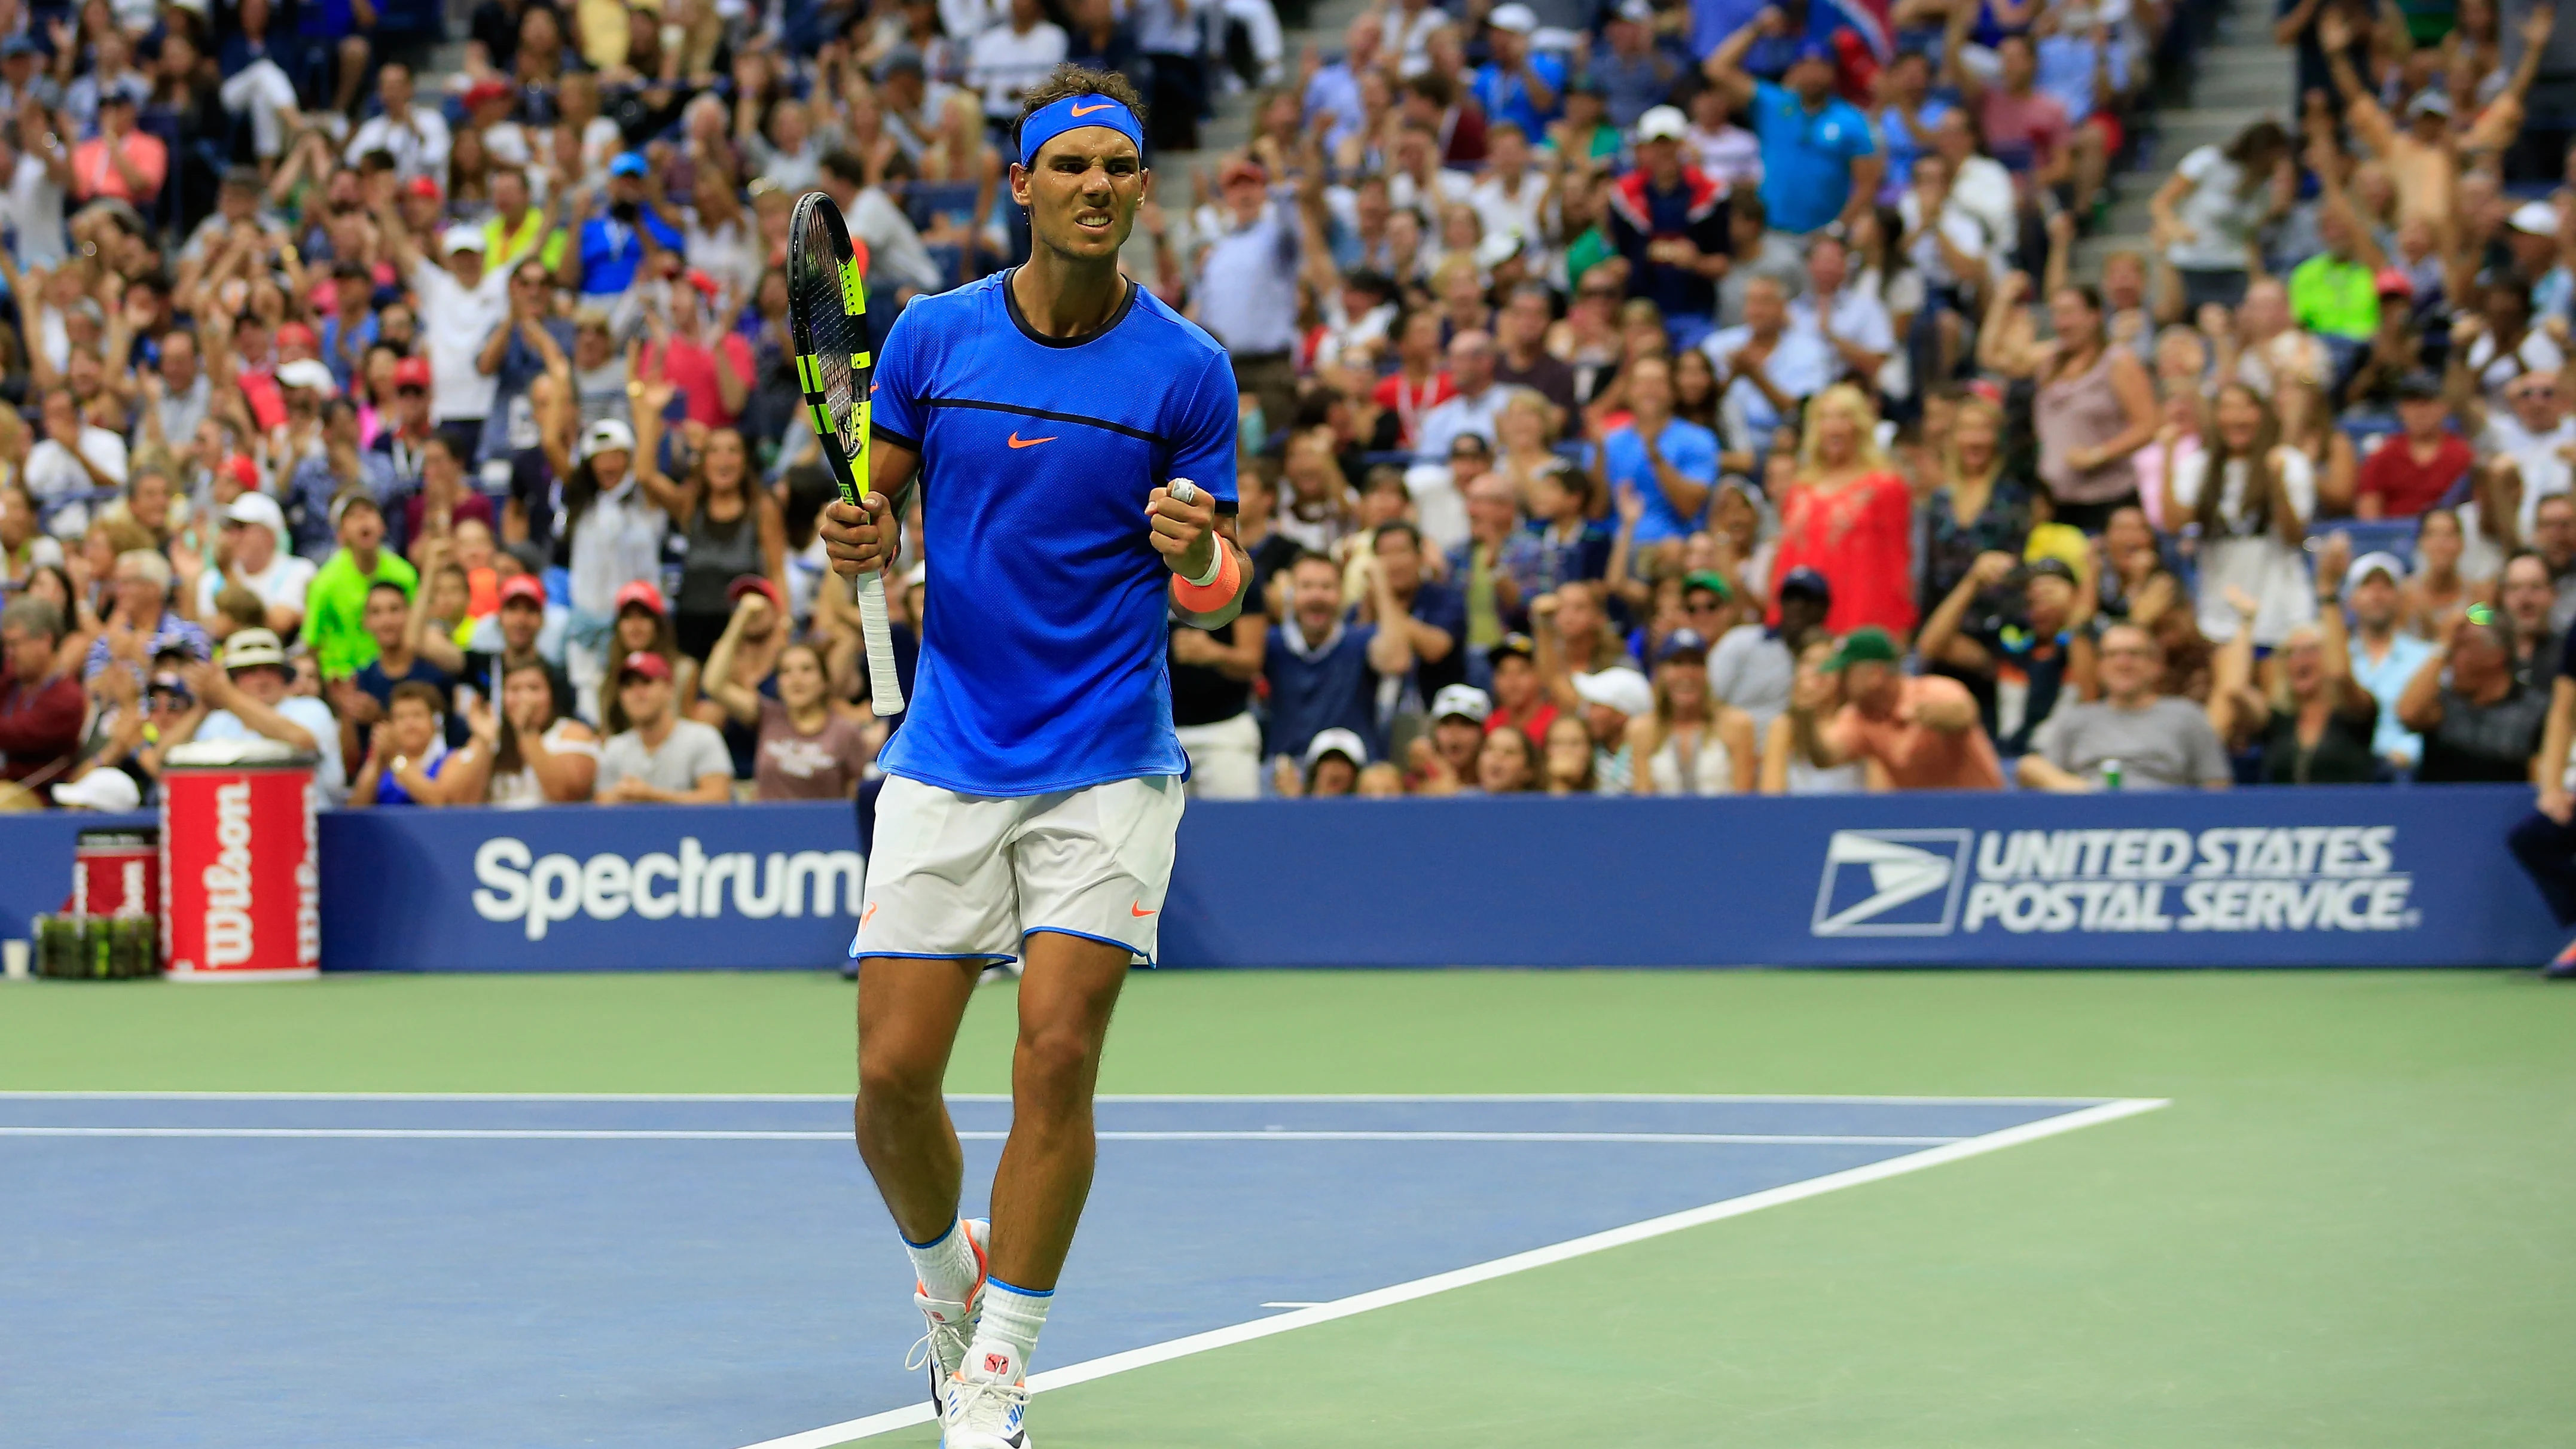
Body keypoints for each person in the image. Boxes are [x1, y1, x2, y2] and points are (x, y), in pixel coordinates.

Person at [811, 71, 1258, 1449]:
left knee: (1054, 1056)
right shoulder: (932, 341)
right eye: (1067, 165)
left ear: (1139, 189)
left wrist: (1199, 556)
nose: (1095, 185)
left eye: (1117, 168)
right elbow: (871, 507)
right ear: (1020, 186)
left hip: (1110, 756)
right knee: (889, 1082)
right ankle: (950, 1281)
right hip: (950, 746)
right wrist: (858, 541)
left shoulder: (1187, 369)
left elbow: (1223, 588)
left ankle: (998, 1364)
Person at [1701, 13, 1881, 238]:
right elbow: (1716, 69)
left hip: (1823, 235)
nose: (1813, 74)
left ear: (1833, 72)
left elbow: (1867, 183)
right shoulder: (1774, 104)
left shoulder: (1851, 120)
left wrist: (1839, 229)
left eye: (1821, 66)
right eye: (1806, 66)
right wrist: (1757, 28)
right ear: (1795, 70)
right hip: (1772, 231)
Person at [2166, 383, 2317, 648]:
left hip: (2281, 615)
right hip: (2218, 617)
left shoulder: (2288, 461)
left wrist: (2277, 483)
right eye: (2227, 408)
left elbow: (2295, 536)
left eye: (2245, 408)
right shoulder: (2198, 466)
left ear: (2262, 414)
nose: (2236, 418)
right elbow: (2173, 523)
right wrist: (2168, 457)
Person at [1767, 385, 1915, 636]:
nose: (1834, 427)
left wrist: (1896, 629)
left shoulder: (1886, 486)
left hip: (1861, 617)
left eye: (1843, 417)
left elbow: (1897, 562)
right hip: (1802, 619)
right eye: (1825, 418)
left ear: (1859, 426)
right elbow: (1786, 558)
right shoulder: (1800, 489)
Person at [1916, 553, 2097, 757]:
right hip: (2006, 760)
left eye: (2053, 588)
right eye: (2034, 590)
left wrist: (2077, 618)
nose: (2041, 595)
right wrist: (1972, 583)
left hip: (2064, 763)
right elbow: (1931, 647)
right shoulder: (2011, 644)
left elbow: (2089, 699)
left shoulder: (2092, 646)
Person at [1786, 625, 2005, 789]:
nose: (1838, 680)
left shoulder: (1932, 690)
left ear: (1875, 674)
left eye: (1846, 672)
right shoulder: (1858, 717)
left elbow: (1966, 713)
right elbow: (1825, 758)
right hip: (1924, 821)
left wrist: (1931, 716)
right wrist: (1805, 716)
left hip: (1982, 811)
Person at [2019, 622, 2233, 789]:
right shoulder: (2077, 719)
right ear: (2100, 667)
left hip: (2165, 822)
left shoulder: (2187, 716)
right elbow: (2039, 773)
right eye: (2112, 655)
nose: (2123, 664)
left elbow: (2216, 786)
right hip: (2090, 821)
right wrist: (2083, 791)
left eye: (2134, 654)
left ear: (2156, 665)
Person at [163, 629, 348, 800]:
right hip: (235, 824)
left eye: (270, 669)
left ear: (284, 675)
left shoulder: (310, 708)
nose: (262, 679)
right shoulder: (219, 720)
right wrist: (203, 707)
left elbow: (302, 741)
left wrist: (226, 696)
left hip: (308, 823)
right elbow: (161, 765)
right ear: (233, 678)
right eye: (250, 671)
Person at [1267, 548, 1414, 764]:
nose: (1317, 596)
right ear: (1291, 593)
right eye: (1306, 586)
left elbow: (1397, 661)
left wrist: (1381, 585)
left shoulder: (1359, 640)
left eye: (1327, 587)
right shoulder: (1273, 643)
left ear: (1342, 594)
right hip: (1287, 768)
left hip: (1353, 769)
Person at [2398, 610, 2551, 781]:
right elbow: (2409, 713)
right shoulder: (2443, 704)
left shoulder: (2534, 709)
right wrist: (2442, 646)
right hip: (2442, 804)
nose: (2450, 659)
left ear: (2496, 655)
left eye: (2461, 646)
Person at [443, 657, 600, 807]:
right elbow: (459, 804)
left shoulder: (571, 733)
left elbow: (566, 797)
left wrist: (527, 731)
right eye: (514, 689)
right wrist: (485, 744)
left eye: (534, 688)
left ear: (551, 696)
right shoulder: (488, 737)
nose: (524, 698)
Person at [303, 494, 420, 681]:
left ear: (383, 526)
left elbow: (417, 626)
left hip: (398, 674)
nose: (362, 520)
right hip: (344, 680)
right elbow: (312, 642)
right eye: (352, 516)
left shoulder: (404, 574)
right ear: (341, 534)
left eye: (369, 512)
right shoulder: (325, 582)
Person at [1626, 629, 1757, 795]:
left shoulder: (1736, 725)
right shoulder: (1642, 730)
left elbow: (1743, 801)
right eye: (1677, 664)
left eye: (1695, 664)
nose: (1687, 674)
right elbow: (1642, 802)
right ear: (1661, 672)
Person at [592, 650, 734, 804]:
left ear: (669, 689)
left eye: (647, 682)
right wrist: (620, 795)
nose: (637, 693)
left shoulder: (702, 737)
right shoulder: (614, 748)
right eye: (628, 686)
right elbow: (601, 803)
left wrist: (652, 796)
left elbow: (719, 798)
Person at [1760, 633, 1872, 793]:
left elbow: (1879, 794)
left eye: (1828, 662)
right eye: (1809, 662)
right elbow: (1771, 796)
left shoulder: (1861, 722)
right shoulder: (1784, 727)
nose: (1819, 670)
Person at [2357, 373, 2476, 518]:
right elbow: (2369, 513)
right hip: (2395, 537)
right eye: (2411, 404)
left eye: (2426, 403)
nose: (2419, 412)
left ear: (2443, 407)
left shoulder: (2462, 454)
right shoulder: (2383, 455)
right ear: (2400, 409)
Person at [0, 597, 83, 800]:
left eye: (15, 644)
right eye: (6, 645)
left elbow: (17, 734)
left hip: (37, 798)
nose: (8, 654)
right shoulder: (12, 682)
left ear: (45, 641)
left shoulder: (67, 698)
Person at [349, 681, 459, 806]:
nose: (409, 724)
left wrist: (396, 759)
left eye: (417, 715)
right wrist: (376, 762)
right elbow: (355, 808)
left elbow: (440, 802)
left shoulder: (452, 760)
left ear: (436, 721)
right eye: (400, 717)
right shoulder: (383, 763)